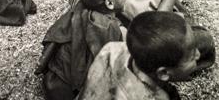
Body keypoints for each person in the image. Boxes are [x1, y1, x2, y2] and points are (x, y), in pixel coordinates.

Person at [79, 11, 215, 100]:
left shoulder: (111, 49)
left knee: (203, 39)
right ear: (163, 73)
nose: (197, 55)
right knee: (206, 41)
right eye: (192, 56)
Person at [38, 0, 126, 100]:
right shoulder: (109, 28)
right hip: (71, 93)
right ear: (109, 3)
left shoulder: (78, 10)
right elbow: (109, 65)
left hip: (52, 81)